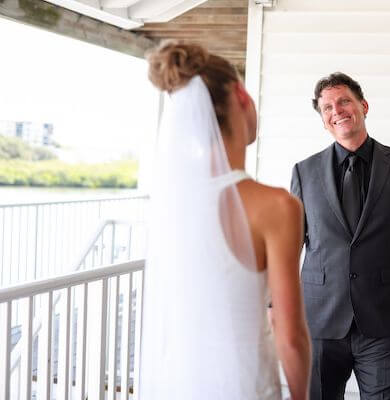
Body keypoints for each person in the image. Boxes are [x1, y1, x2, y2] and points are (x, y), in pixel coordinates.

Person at [139, 41, 311, 400]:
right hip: (245, 387)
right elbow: (289, 334)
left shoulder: (172, 203)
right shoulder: (276, 205)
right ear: (241, 95)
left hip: (179, 385)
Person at [290, 72, 390, 400]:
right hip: (319, 321)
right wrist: (277, 306)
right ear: (323, 120)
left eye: (344, 100)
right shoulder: (305, 171)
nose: (337, 110)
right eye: (327, 107)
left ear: (363, 105)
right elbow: (289, 246)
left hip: (381, 321)